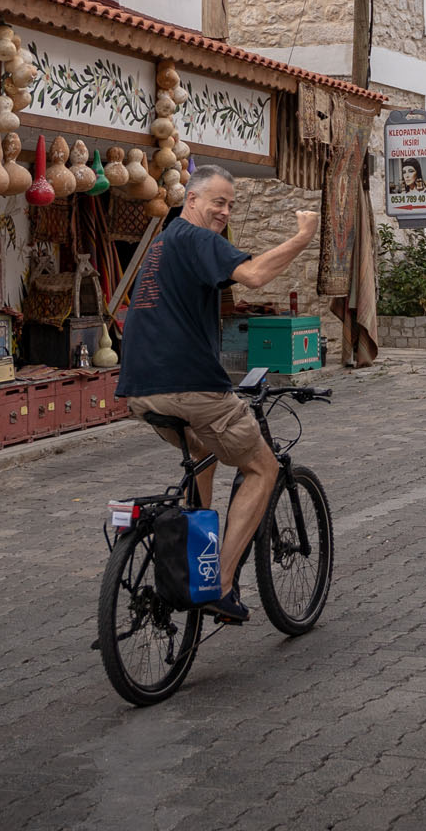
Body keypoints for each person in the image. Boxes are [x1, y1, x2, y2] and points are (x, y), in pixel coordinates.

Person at [120, 164, 319, 623]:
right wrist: (302, 238)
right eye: (217, 201)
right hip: (191, 387)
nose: (224, 212)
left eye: (230, 204)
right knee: (262, 468)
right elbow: (251, 276)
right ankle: (221, 584)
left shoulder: (163, 244)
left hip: (141, 390)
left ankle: (196, 560)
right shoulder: (197, 238)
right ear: (191, 199)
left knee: (204, 454)